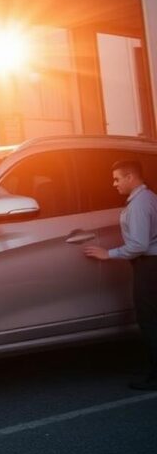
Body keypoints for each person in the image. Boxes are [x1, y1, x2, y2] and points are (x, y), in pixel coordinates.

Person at [83, 160, 157, 391]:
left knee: (149, 321)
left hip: (148, 265)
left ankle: (155, 376)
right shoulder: (147, 198)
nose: (114, 183)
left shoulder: (139, 205)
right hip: (151, 264)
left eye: (117, 178)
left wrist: (108, 254)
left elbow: (138, 244)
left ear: (130, 178)